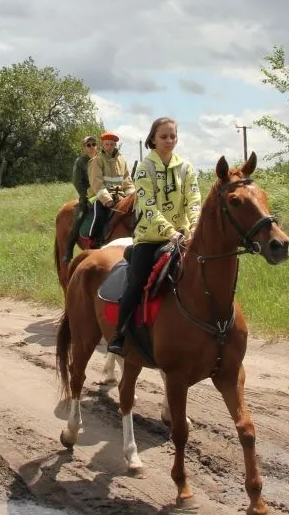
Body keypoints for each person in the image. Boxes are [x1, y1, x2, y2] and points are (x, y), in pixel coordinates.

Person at [107, 117, 200, 356]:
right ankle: (120, 334)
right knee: (136, 281)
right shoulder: (144, 168)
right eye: (164, 136)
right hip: (150, 238)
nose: (169, 140)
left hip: (183, 236)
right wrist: (170, 232)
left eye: (173, 136)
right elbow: (148, 207)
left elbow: (194, 201)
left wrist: (193, 228)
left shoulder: (186, 167)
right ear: (153, 139)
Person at [87, 131, 135, 246]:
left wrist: (132, 197)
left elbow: (127, 181)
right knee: (99, 215)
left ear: (115, 145)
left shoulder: (122, 161)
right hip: (99, 196)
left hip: (119, 197)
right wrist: (106, 199)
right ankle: (94, 240)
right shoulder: (96, 160)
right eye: (106, 144)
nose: (109, 146)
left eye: (111, 144)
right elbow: (96, 182)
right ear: (102, 145)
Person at [61, 135, 99, 269]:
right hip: (87, 196)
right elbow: (77, 181)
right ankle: (69, 250)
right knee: (79, 217)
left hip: (103, 194)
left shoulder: (101, 159)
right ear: (84, 148)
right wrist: (87, 195)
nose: (92, 147)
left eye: (93, 144)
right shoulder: (80, 161)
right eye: (88, 145)